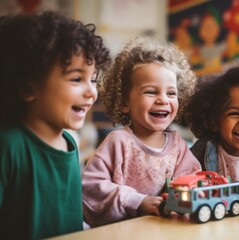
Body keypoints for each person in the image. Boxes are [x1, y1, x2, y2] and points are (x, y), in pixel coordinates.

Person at [0, 11, 111, 239]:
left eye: (93, 79)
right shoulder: (9, 145)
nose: (92, 91)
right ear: (29, 86)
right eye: (76, 79)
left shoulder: (70, 142)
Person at [82, 37, 202, 227]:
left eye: (171, 93)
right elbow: (90, 187)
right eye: (151, 92)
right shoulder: (118, 141)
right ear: (124, 103)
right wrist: (138, 201)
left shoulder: (178, 145)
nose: (163, 100)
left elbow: (192, 179)